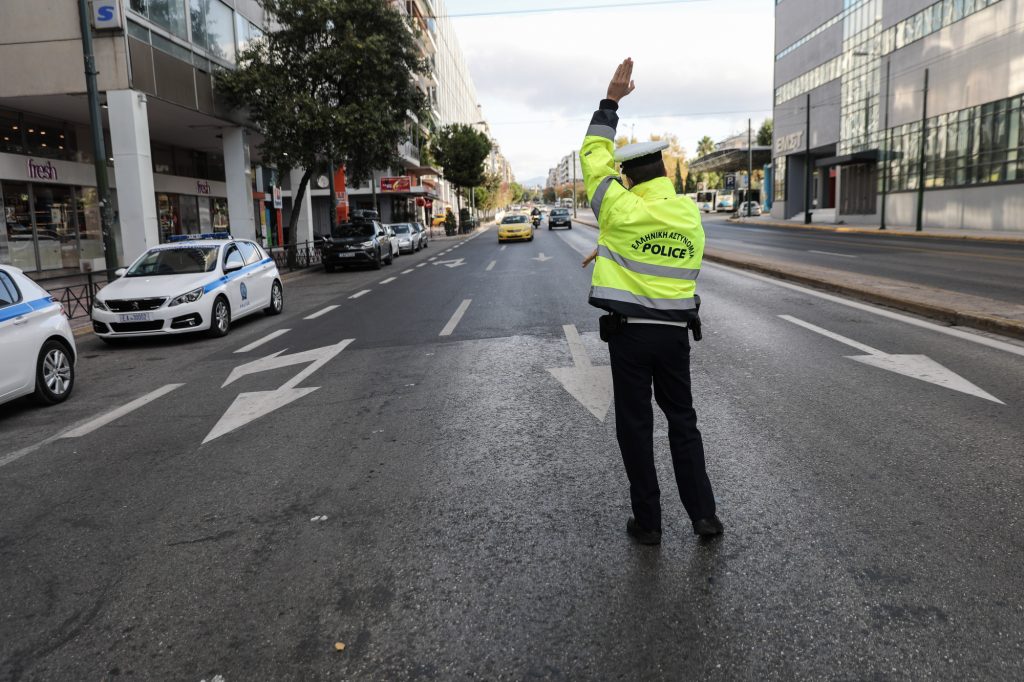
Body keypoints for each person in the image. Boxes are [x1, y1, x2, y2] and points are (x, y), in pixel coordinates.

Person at [581, 58, 722, 545]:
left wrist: (610, 103)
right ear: (662, 171)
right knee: (683, 423)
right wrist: (611, 245)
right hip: (674, 338)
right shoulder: (688, 215)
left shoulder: (618, 209)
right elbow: (665, 250)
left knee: (636, 429)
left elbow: (592, 156)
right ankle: (704, 515)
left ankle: (649, 523)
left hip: (630, 338)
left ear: (628, 178)